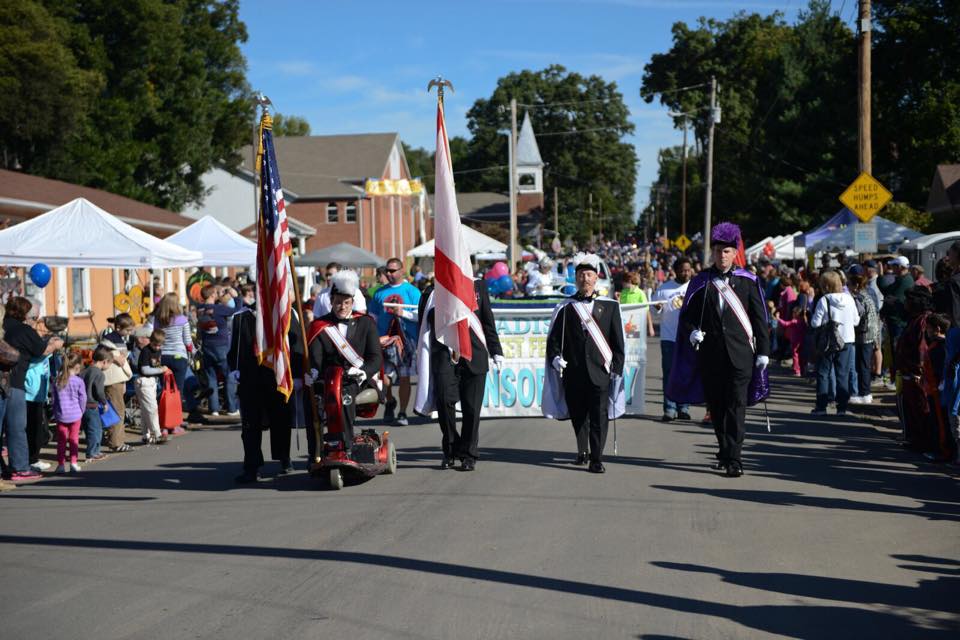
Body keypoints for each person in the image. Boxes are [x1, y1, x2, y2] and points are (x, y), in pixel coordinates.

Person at [668, 222, 770, 478]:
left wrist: (764, 352)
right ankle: (724, 450)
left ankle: (734, 458)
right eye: (718, 251)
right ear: (712, 253)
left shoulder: (748, 281)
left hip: (740, 355)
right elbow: (687, 316)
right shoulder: (701, 281)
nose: (722, 255)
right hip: (711, 355)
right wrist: (692, 331)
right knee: (718, 407)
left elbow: (760, 320)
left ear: (735, 253)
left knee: (736, 406)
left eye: (727, 251)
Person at [544, 253, 626, 473]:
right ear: (575, 278)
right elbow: (553, 341)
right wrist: (555, 358)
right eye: (581, 275)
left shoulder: (610, 307)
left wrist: (616, 370)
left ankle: (596, 458)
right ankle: (582, 450)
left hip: (601, 372)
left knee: (599, 416)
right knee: (579, 415)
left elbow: (618, 344)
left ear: (596, 278)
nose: (584, 279)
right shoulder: (565, 307)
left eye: (588, 274)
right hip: (574, 372)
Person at [414, 274, 503, 471]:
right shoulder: (431, 292)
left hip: (475, 354)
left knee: (472, 409)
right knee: (445, 402)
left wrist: (497, 351)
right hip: (445, 355)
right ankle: (451, 449)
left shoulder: (478, 286)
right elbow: (425, 324)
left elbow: (487, 320)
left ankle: (469, 453)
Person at [307, 271, 382, 454]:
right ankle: (315, 451)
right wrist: (313, 372)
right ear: (331, 301)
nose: (342, 306)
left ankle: (344, 446)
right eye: (338, 302)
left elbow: (375, 357)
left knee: (344, 396)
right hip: (327, 377)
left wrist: (364, 371)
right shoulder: (320, 325)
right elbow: (315, 357)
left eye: (346, 302)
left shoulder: (366, 323)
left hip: (355, 378)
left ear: (352, 303)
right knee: (309, 399)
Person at [2, 297, 63, 482]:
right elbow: (41, 350)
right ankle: (20, 467)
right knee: (17, 427)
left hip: (6, 382)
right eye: (34, 317)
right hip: (15, 382)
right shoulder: (24, 330)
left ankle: (9, 467)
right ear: (26, 315)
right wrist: (54, 345)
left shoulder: (5, 327)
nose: (35, 320)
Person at [369, 257, 421, 426]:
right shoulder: (378, 293)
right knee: (384, 378)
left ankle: (403, 412)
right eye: (387, 271)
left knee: (405, 377)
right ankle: (390, 401)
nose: (389, 274)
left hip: (407, 341)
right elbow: (373, 318)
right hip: (384, 340)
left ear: (401, 271)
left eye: (393, 270)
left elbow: (421, 316)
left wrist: (402, 313)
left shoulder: (412, 292)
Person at [810, 271, 860, 416]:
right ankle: (842, 408)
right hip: (847, 340)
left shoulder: (824, 300)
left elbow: (815, 323)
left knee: (823, 373)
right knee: (842, 374)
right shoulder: (849, 298)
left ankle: (821, 406)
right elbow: (856, 321)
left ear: (825, 285)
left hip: (828, 341)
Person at [652, 257, 693, 421]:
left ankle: (684, 407)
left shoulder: (694, 287)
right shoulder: (664, 289)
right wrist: (657, 308)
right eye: (683, 270)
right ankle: (669, 408)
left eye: (689, 270)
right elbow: (654, 312)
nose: (686, 273)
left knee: (685, 374)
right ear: (675, 271)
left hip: (689, 338)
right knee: (669, 373)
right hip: (669, 338)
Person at [196, 284, 239, 417]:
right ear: (212, 295)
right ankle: (231, 408)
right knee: (229, 376)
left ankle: (213, 408)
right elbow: (237, 309)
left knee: (211, 378)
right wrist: (235, 296)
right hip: (221, 346)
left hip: (207, 346)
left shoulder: (200, 309)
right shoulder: (219, 309)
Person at [151, 293, 194, 422]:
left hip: (163, 357)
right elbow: (188, 342)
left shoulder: (158, 320)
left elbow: (155, 338)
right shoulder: (182, 320)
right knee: (177, 391)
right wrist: (192, 350)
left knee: (164, 390)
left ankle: (163, 422)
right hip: (179, 357)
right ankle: (175, 422)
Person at [52, 351, 86, 474]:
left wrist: (56, 412)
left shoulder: (57, 380)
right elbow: (83, 399)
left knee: (61, 441)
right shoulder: (78, 381)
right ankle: (73, 463)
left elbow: (54, 400)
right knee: (74, 439)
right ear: (77, 367)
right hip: (76, 414)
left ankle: (60, 465)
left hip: (61, 415)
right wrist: (82, 411)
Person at [849, 270, 879, 404]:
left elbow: (858, 318)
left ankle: (865, 392)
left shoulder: (858, 297)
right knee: (865, 364)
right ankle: (865, 392)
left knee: (862, 365)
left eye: (849, 284)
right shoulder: (867, 294)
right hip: (871, 333)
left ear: (855, 285)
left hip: (863, 334)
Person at [136, 329, 169, 445]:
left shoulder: (159, 351)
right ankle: (158, 434)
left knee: (146, 409)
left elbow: (156, 365)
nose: (157, 348)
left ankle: (146, 435)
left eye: (160, 345)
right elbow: (145, 369)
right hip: (144, 381)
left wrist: (162, 369)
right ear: (151, 341)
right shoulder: (146, 351)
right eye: (155, 345)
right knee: (152, 408)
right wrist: (161, 369)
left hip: (152, 381)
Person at [80, 346, 112, 462]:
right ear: (105, 362)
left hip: (82, 405)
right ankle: (93, 452)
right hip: (92, 404)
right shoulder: (99, 374)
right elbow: (99, 391)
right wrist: (104, 402)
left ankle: (92, 450)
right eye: (109, 364)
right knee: (96, 429)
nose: (109, 367)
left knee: (88, 429)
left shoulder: (84, 370)